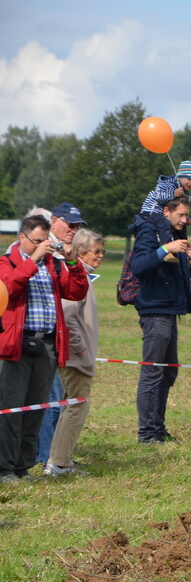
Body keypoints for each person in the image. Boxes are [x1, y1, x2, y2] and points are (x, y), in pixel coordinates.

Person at [0, 215, 89, 482]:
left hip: (47, 344)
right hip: (16, 345)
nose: (44, 245)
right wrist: (34, 259)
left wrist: (72, 261)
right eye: (38, 241)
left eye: (45, 240)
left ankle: (23, 468)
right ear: (22, 238)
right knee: (10, 409)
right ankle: (4, 469)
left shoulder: (52, 264)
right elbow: (9, 288)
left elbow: (76, 291)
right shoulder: (6, 263)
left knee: (35, 409)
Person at [130, 196, 191, 444]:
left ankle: (158, 429)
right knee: (153, 373)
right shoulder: (150, 230)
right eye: (180, 215)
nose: (183, 220)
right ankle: (146, 434)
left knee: (169, 372)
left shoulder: (172, 232)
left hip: (170, 310)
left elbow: (176, 271)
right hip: (154, 311)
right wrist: (166, 249)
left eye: (186, 215)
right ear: (166, 211)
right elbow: (139, 266)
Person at [45, 229, 104, 475]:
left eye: (103, 251)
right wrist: (79, 350)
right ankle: (59, 463)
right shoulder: (74, 276)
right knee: (77, 405)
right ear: (79, 252)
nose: (100, 256)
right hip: (75, 355)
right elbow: (67, 318)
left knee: (74, 403)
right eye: (96, 251)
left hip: (77, 353)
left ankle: (61, 460)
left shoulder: (83, 275)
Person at [37, 202, 87, 466]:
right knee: (47, 399)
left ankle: (53, 456)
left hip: (53, 336)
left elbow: (76, 291)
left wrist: (71, 261)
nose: (75, 230)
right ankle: (47, 457)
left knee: (55, 397)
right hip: (29, 336)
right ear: (54, 221)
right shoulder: (38, 246)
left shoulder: (62, 253)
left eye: (78, 225)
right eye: (71, 224)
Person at [141, 161, 191, 225]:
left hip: (166, 217)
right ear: (179, 177)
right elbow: (158, 197)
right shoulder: (167, 183)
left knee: (179, 229)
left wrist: (187, 220)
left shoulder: (186, 193)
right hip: (152, 213)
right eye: (189, 179)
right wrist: (173, 194)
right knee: (165, 228)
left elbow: (179, 210)